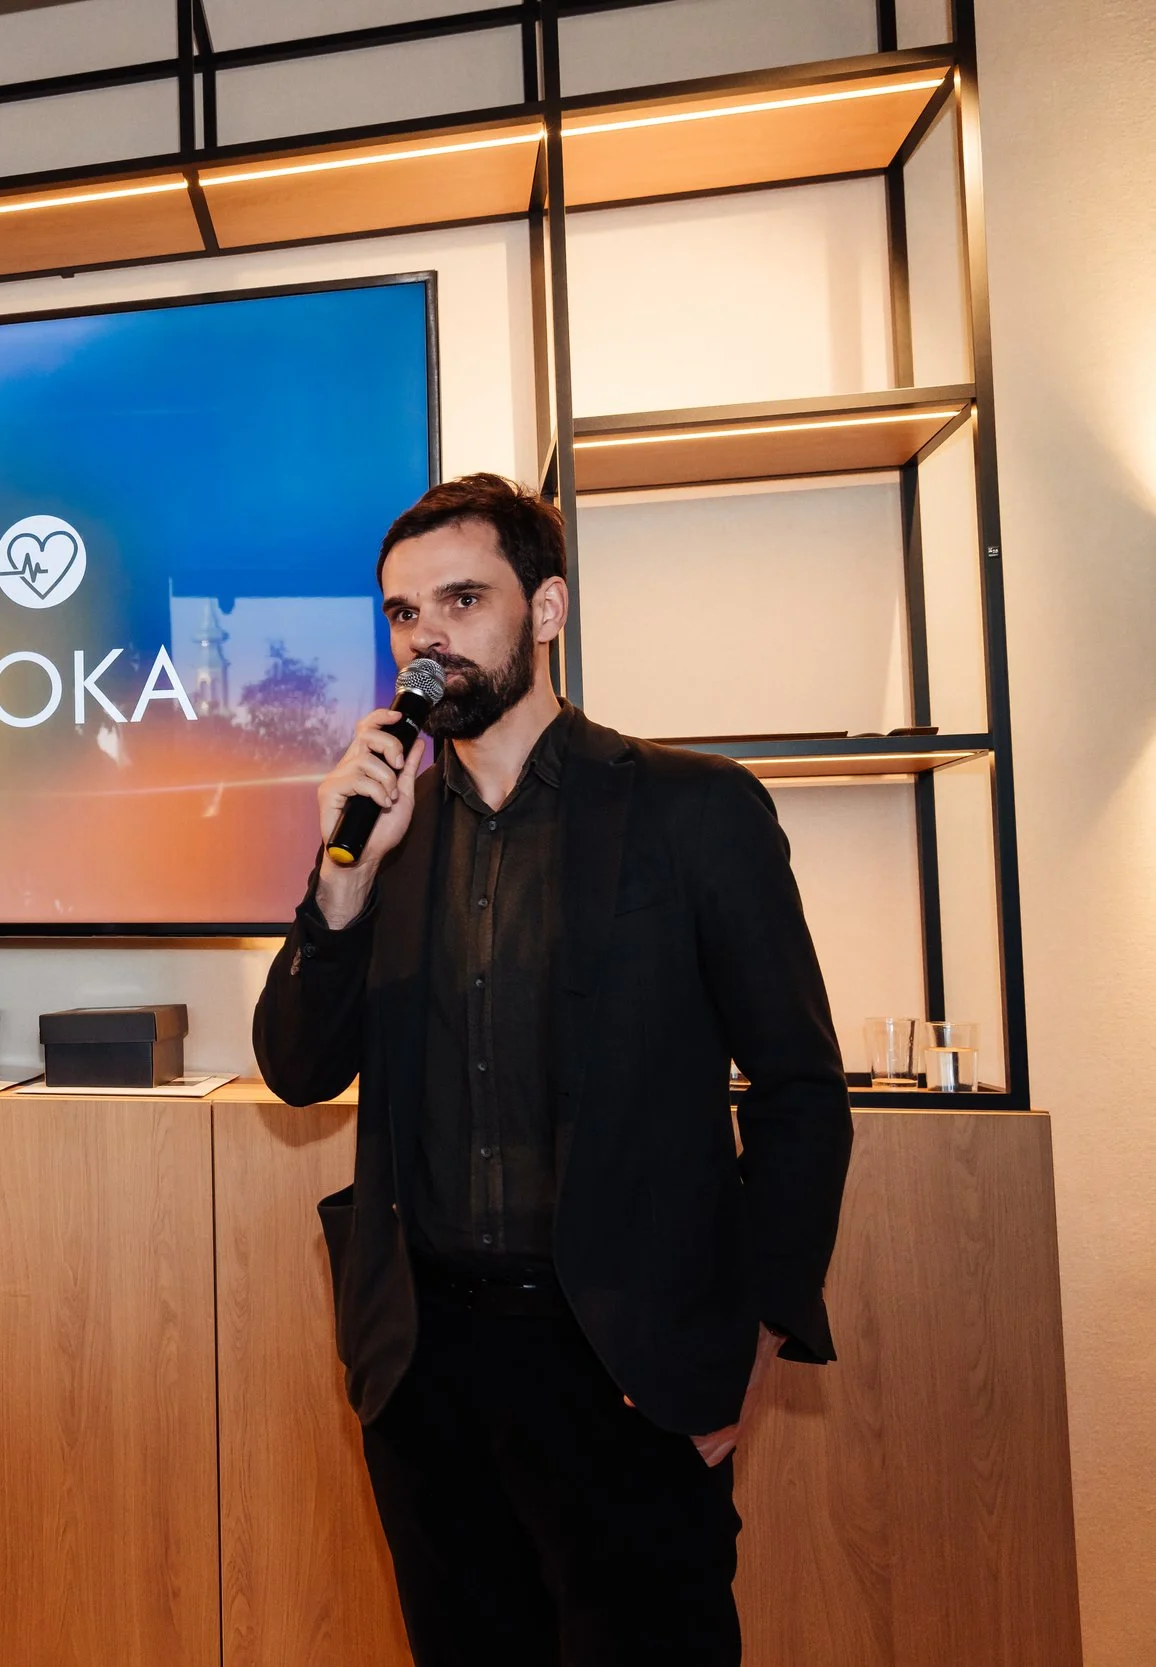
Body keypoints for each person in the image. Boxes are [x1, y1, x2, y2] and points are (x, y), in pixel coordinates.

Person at [253, 474, 852, 1666]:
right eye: (402, 612)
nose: (425, 637)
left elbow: (799, 1089)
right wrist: (338, 885)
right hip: (425, 1369)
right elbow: (299, 1068)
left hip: (625, 1366)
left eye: (461, 599)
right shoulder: (384, 836)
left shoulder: (692, 809)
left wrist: (750, 1343)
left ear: (545, 608)